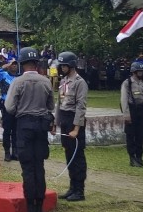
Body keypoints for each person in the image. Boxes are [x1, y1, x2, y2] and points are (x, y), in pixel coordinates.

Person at [5, 47, 54, 212]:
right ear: (36, 63)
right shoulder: (46, 81)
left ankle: (30, 205)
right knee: (39, 165)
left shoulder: (17, 82)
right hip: (41, 127)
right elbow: (51, 106)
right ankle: (39, 204)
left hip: (24, 126)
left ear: (22, 63)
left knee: (27, 167)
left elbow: (9, 107)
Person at [54, 51, 88, 201]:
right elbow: (59, 104)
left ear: (71, 65)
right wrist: (55, 123)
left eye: (64, 65)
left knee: (77, 156)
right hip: (65, 119)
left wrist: (76, 128)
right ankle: (72, 187)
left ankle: (79, 190)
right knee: (69, 154)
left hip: (75, 121)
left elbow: (81, 107)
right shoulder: (63, 81)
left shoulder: (80, 82)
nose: (61, 68)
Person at [0, 56, 18, 161]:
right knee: (7, 130)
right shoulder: (3, 75)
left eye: (15, 64)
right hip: (6, 105)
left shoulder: (19, 77)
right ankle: (6, 152)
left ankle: (15, 152)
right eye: (12, 64)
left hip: (17, 106)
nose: (14, 66)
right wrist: (4, 67)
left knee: (16, 130)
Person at [121, 61, 143, 167]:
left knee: (141, 134)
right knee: (131, 135)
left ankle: (139, 157)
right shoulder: (128, 83)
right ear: (134, 71)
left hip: (141, 110)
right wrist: (126, 115)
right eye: (138, 71)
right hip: (131, 110)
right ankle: (132, 158)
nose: (140, 73)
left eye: (141, 71)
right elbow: (124, 99)